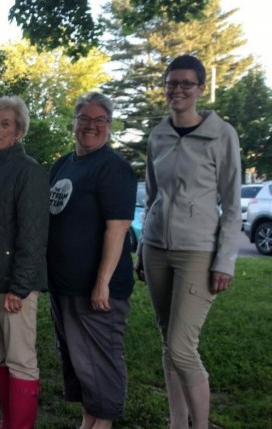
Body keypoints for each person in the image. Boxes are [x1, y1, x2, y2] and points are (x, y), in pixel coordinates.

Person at [135, 55, 241, 429]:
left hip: (197, 251)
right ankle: (177, 423)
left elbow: (231, 204)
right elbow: (151, 197)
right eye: (171, 83)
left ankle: (201, 424)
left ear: (199, 89)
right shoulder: (158, 135)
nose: (177, 90)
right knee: (169, 344)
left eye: (186, 84)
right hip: (156, 249)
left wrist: (224, 260)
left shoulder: (221, 134)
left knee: (181, 347)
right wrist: (141, 249)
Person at [47, 92, 137, 429]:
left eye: (100, 121)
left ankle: (101, 424)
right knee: (79, 364)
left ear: (109, 127)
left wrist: (102, 284)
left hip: (96, 291)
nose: (91, 126)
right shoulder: (64, 164)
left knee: (100, 365)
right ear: (74, 122)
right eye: (85, 118)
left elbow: (117, 229)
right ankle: (89, 422)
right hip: (64, 286)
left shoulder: (114, 169)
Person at [0, 96, 48, 429]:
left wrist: (20, 285)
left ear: (18, 131)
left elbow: (32, 236)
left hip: (16, 285)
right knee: (1, 356)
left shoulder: (28, 171)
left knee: (20, 360)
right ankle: (7, 422)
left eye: (5, 124)